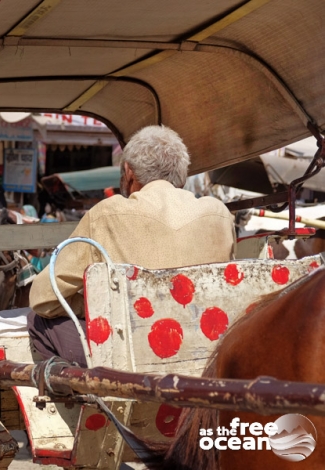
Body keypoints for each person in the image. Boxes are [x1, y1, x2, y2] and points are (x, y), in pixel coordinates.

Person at [27, 125, 236, 367]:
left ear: (129, 173)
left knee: (37, 320)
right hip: (206, 352)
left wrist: (95, 305)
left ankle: (89, 399)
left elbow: (43, 297)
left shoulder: (107, 213)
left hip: (132, 361)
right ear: (181, 173)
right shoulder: (219, 213)